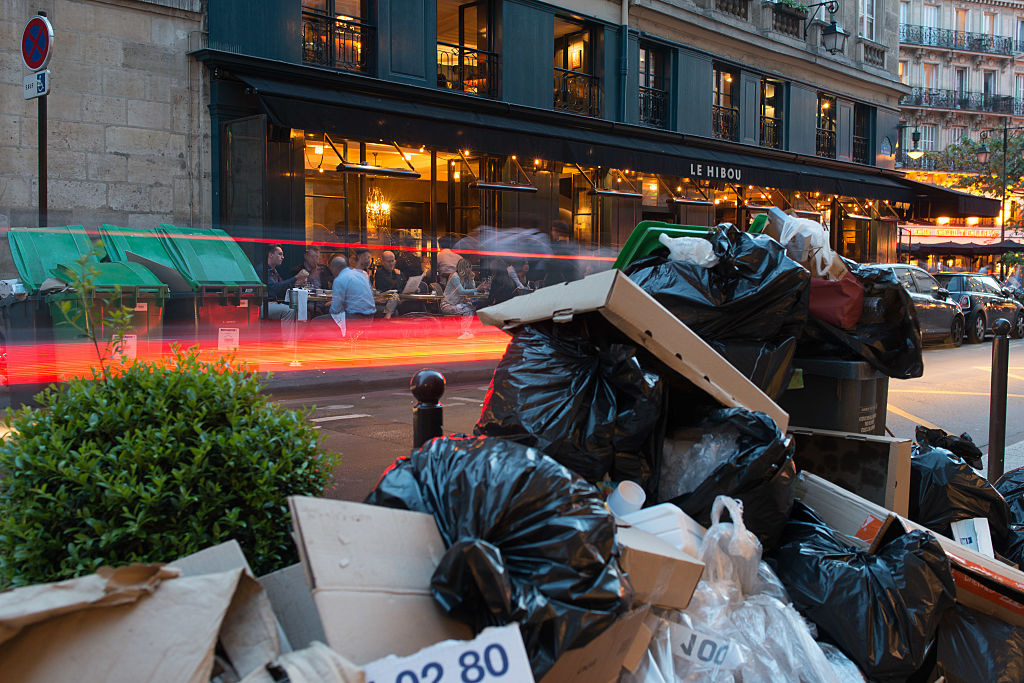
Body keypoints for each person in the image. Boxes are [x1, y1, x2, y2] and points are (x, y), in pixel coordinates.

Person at [256, 244, 307, 321]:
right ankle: (288, 333)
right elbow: (274, 288)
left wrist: (297, 282)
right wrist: (296, 277)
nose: (282, 257)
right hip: (262, 305)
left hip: (272, 303)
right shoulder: (264, 269)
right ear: (271, 255)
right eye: (280, 254)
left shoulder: (273, 270)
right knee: (289, 310)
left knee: (297, 309)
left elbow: (282, 286)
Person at [442, 258, 484, 339]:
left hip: (457, 304)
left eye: (469, 267)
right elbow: (462, 291)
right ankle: (464, 331)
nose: (469, 269)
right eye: (466, 267)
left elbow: (471, 291)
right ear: (461, 268)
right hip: (447, 305)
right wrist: (477, 289)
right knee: (468, 309)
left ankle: (467, 330)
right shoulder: (455, 277)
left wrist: (471, 279)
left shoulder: (465, 277)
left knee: (473, 307)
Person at [329, 253, 376, 321]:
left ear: (334, 268)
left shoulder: (339, 279)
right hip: (370, 317)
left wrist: (331, 306)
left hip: (354, 317)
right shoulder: (362, 274)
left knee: (316, 321)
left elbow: (336, 309)